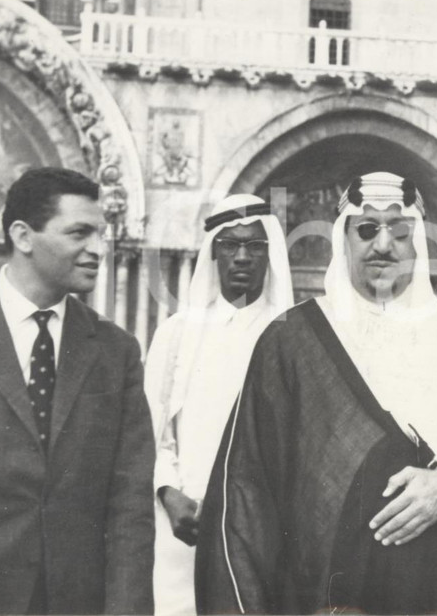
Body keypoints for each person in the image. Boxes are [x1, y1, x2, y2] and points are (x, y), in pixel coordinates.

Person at [195, 171, 437, 614]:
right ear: (343, 240)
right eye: (366, 229)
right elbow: (247, 492)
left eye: (399, 232)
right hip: (325, 597)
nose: (383, 245)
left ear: (418, 244)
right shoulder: (291, 341)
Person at [0, 167, 155, 614]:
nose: (98, 249)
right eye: (80, 232)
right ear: (23, 236)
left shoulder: (116, 351)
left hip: (72, 601)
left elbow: (130, 506)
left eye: (101, 233)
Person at [144, 194, 294, 615]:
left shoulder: (296, 338)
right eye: (230, 245)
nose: (242, 256)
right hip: (182, 529)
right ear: (213, 253)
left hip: (269, 529)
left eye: (255, 246)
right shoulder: (176, 333)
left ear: (270, 255)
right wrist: (168, 493)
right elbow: (153, 432)